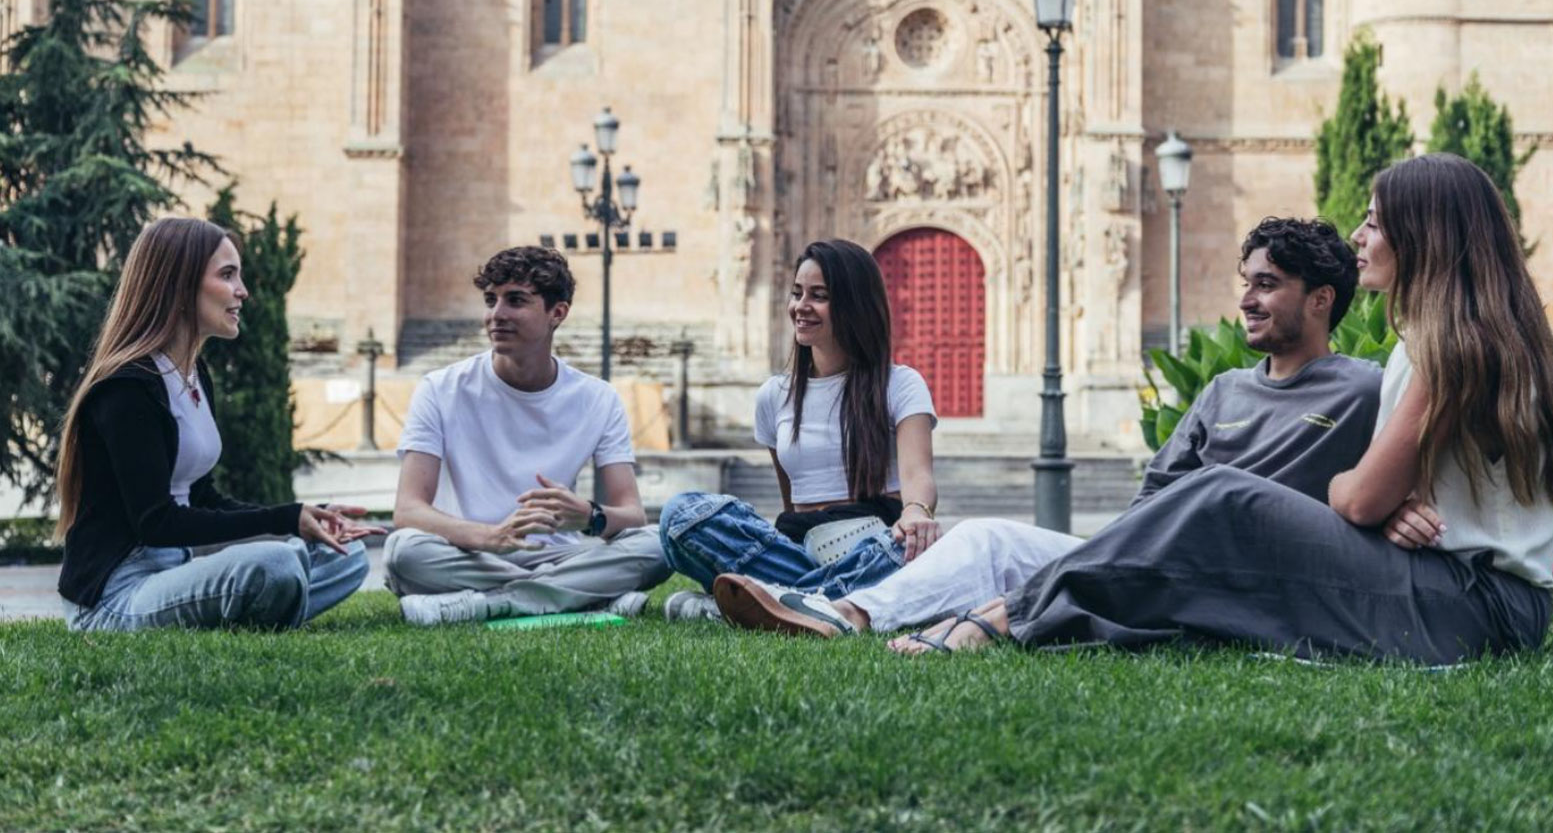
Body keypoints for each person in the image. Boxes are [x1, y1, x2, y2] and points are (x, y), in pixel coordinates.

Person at [898, 155, 1553, 664]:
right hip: (1482, 598)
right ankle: (1021, 612)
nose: (1359, 234)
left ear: (1424, 236)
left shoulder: (1448, 347)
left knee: (1221, 496)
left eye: (1376, 221)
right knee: (1214, 532)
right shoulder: (1486, 337)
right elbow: (1439, 488)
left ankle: (1003, 617)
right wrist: (1399, 498)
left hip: (1474, 609)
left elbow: (1359, 501)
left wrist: (1365, 493)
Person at [715, 218, 1382, 639]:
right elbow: (1156, 496)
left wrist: (1405, 506)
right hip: (1149, 552)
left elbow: (1408, 470)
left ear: (1321, 299)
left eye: (1267, 285)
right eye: (1246, 282)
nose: (1245, 298)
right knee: (984, 537)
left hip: (1230, 574)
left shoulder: (1363, 388)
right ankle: (851, 608)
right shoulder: (1223, 389)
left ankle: (847, 613)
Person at [56, 218, 378, 631]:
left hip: (174, 575)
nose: (242, 291)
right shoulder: (127, 389)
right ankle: (263, 598)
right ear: (180, 285)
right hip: (116, 599)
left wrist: (302, 517)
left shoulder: (192, 373)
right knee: (276, 564)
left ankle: (259, 602)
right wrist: (281, 521)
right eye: (227, 275)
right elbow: (156, 522)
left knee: (346, 556)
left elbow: (200, 495)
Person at [383, 246, 669, 625]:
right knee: (403, 551)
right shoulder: (440, 388)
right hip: (470, 552)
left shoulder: (598, 398)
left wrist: (589, 515)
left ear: (557, 313)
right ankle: (583, 597)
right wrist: (489, 537)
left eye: (515, 300)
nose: (495, 315)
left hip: (557, 555)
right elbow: (408, 510)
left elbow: (631, 514)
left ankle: (490, 604)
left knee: (659, 545)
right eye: (490, 300)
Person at [658, 239, 941, 621]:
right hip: (798, 546)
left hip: (874, 543)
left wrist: (915, 513)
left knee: (902, 552)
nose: (800, 306)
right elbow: (790, 500)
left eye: (819, 295)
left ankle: (766, 601)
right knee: (680, 515)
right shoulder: (774, 395)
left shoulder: (900, 384)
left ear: (854, 304)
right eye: (797, 293)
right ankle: (817, 602)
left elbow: (917, 475)